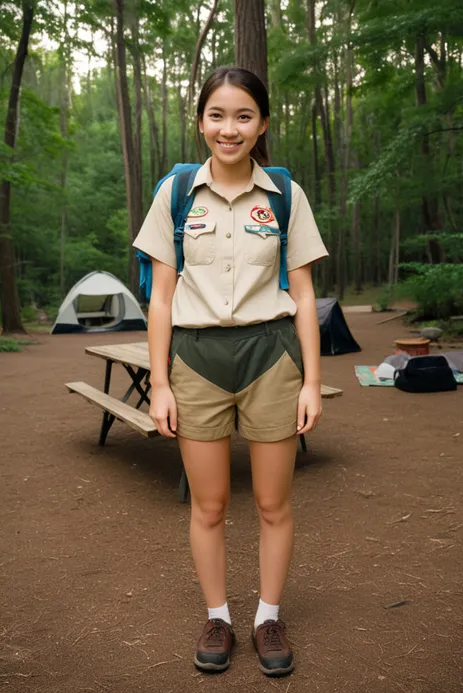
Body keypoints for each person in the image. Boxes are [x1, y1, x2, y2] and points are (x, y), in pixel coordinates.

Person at [133, 66, 328, 677]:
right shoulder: (176, 193)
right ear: (201, 122)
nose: (229, 128)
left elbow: (303, 293)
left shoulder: (285, 195)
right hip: (196, 359)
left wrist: (314, 382)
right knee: (209, 505)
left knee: (274, 503)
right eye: (217, 115)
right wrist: (159, 383)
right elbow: (160, 298)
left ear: (263, 124)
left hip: (271, 356)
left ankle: (268, 616)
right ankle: (217, 615)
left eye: (244, 115)